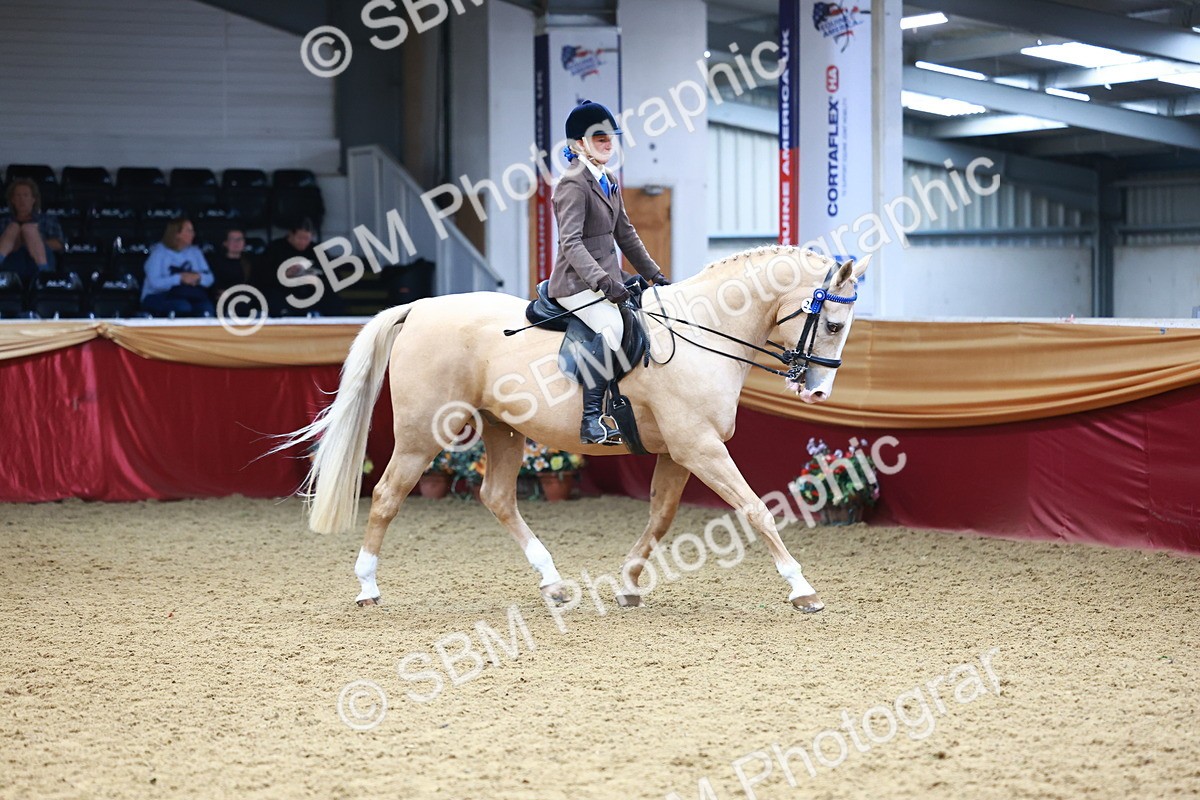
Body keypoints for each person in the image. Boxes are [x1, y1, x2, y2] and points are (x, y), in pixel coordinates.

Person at [548, 99, 670, 445]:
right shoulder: (572, 183)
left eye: (610, 137)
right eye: (599, 137)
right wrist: (602, 282)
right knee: (612, 326)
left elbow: (625, 233)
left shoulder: (607, 179)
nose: (607, 143)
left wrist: (654, 275)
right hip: (576, 284)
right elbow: (570, 243)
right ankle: (591, 421)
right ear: (578, 144)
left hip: (607, 279)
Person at [253, 218, 343, 316]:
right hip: (284, 292)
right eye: (300, 238)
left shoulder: (317, 251)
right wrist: (284, 274)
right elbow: (260, 276)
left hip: (310, 293)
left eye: (307, 239)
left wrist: (316, 280)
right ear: (291, 234)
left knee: (333, 300)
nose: (303, 242)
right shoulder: (275, 248)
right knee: (272, 296)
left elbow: (336, 277)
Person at [141, 217, 215, 317]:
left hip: (189, 294)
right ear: (177, 234)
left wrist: (198, 277)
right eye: (189, 231)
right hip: (158, 296)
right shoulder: (158, 253)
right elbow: (155, 283)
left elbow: (209, 278)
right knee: (182, 307)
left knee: (207, 307)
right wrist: (180, 279)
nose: (193, 234)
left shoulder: (195, 252)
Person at [0, 178, 64, 287]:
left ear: (33, 199)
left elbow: (58, 245)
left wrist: (33, 242)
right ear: (12, 200)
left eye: (25, 195)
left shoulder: (47, 220)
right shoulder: (3, 221)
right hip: (13, 260)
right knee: (13, 228)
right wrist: (18, 241)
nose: (22, 200)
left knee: (29, 230)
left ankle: (44, 275)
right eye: (18, 196)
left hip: (39, 260)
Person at [209, 227, 251, 299]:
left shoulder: (249, 263)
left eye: (240, 239)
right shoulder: (216, 263)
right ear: (225, 243)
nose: (236, 242)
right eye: (232, 239)